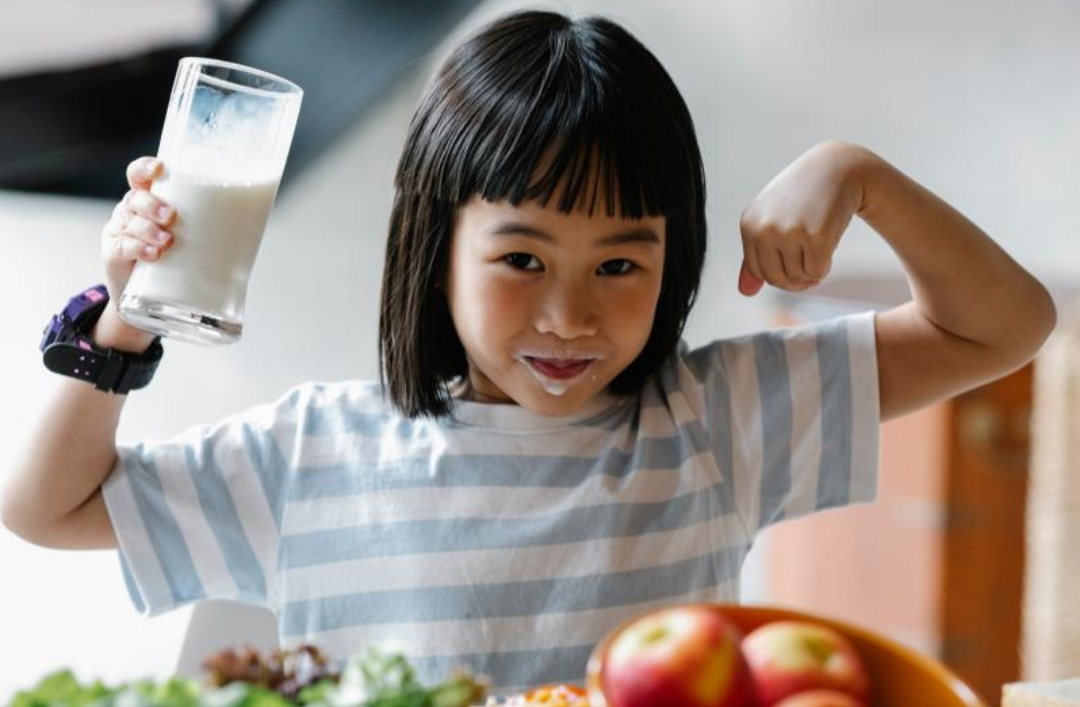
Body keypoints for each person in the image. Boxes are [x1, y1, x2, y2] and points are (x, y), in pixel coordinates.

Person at [1, 9, 1056, 694]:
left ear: (674, 260)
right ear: (436, 246)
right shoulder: (315, 446)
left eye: (618, 266)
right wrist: (127, 316)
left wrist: (856, 172)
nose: (568, 317)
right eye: (521, 258)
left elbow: (1005, 324)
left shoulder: (718, 417)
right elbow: (47, 506)